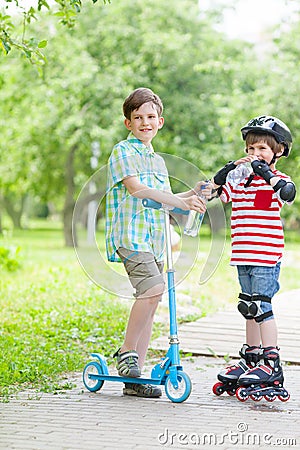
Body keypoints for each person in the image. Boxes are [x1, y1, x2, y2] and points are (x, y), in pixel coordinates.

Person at [105, 87, 206, 398]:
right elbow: (137, 190)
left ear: (160, 121)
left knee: (152, 300)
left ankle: (135, 374)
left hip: (155, 240)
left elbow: (168, 200)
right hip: (131, 237)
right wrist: (182, 201)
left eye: (150, 117)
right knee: (153, 290)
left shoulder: (158, 161)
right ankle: (126, 354)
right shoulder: (123, 152)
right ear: (129, 123)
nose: (145, 122)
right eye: (138, 118)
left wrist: (195, 194)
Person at [210, 115, 296, 397]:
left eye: (261, 149)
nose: (254, 155)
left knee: (261, 307)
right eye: (250, 149)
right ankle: (252, 359)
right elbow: (215, 192)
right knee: (247, 307)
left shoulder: (277, 180)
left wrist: (265, 173)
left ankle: (271, 363)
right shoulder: (240, 179)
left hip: (265, 254)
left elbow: (287, 193)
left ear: (278, 151)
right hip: (243, 253)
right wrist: (227, 171)